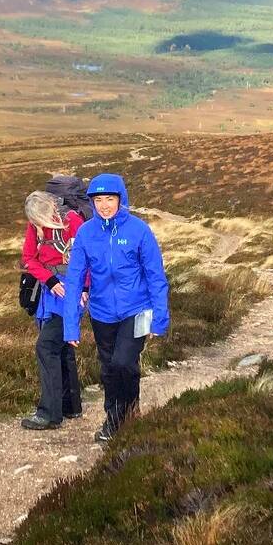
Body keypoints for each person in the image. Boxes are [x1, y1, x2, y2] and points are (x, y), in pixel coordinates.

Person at [62, 173, 170, 442]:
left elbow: (156, 276)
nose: (104, 205)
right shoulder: (86, 233)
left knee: (124, 362)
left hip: (136, 309)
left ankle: (127, 415)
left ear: (121, 199)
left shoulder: (139, 230)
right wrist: (70, 325)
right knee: (109, 368)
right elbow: (74, 279)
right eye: (98, 199)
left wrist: (160, 318)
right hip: (101, 313)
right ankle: (115, 418)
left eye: (110, 198)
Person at [19, 191, 86, 430]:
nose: (37, 226)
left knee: (46, 346)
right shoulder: (34, 223)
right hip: (51, 292)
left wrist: (84, 288)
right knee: (62, 346)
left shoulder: (73, 221)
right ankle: (70, 405)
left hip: (73, 291)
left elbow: (86, 256)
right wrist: (50, 281)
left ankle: (49, 413)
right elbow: (29, 258)